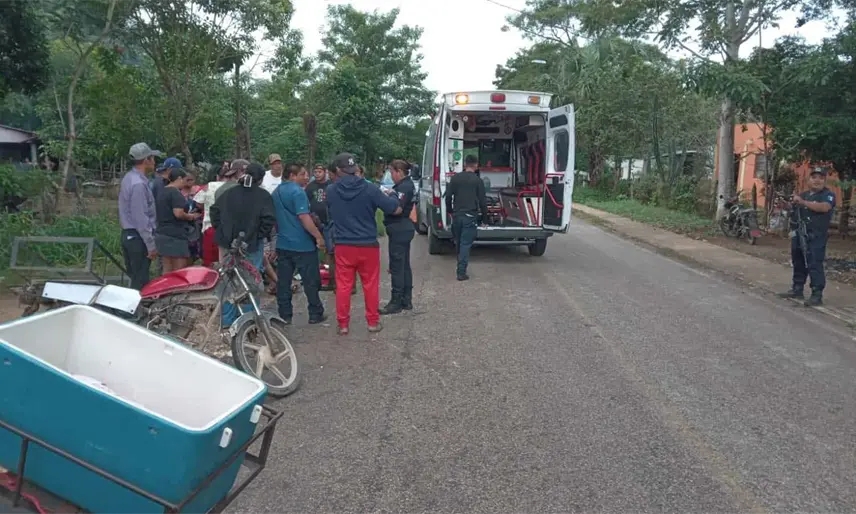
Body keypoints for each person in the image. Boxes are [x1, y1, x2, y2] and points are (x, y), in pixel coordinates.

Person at [326, 153, 402, 335]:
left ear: (337, 170)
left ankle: (343, 325)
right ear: (355, 168)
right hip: (368, 244)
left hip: (344, 245)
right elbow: (395, 209)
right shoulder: (370, 189)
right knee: (370, 284)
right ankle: (372, 322)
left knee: (343, 285)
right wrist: (395, 197)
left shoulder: (331, 190)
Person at [210, 162, 276, 328]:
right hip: (251, 246)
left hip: (227, 244)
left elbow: (214, 212)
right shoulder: (263, 196)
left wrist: (223, 232)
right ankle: (248, 321)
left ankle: (228, 322)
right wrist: (257, 236)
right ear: (260, 179)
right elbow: (268, 220)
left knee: (228, 281)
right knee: (250, 282)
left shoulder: (228, 192)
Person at [272, 163, 327, 325]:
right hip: (302, 244)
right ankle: (315, 312)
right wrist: (318, 236)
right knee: (310, 280)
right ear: (292, 176)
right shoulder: (297, 192)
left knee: (283, 281)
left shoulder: (276, 192)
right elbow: (304, 217)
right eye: (303, 174)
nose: (306, 177)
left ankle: (284, 314)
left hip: (283, 243)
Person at [778, 167, 836, 306]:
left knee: (814, 263)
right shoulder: (803, 195)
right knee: (798, 261)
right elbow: (794, 212)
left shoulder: (828, 195)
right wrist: (786, 205)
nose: (817, 180)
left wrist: (803, 203)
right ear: (809, 180)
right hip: (799, 234)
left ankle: (817, 294)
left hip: (816, 236)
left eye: (821, 178)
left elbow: (824, 207)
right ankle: (797, 288)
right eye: (814, 177)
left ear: (824, 180)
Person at [118, 143, 161, 290]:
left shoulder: (130, 178)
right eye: (152, 158)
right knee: (140, 281)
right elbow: (140, 217)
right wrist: (151, 244)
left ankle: (132, 311)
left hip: (130, 235)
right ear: (146, 160)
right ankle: (135, 312)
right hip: (137, 238)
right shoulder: (138, 185)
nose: (154, 162)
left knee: (136, 278)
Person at [380, 160, 417, 315]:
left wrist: (386, 200)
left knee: (397, 266)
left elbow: (397, 209)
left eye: (392, 172)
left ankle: (396, 301)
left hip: (399, 227)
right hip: (404, 228)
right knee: (404, 266)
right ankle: (406, 299)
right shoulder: (405, 186)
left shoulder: (404, 187)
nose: (391, 175)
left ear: (399, 172)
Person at [445, 154, 488, 281]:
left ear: (465, 164)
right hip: (470, 216)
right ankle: (461, 272)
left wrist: (450, 211)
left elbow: (448, 197)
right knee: (465, 244)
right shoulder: (477, 181)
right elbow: (483, 202)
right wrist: (485, 219)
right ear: (476, 165)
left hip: (457, 216)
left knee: (458, 242)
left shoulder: (455, 178)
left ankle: (460, 265)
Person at [155, 168, 202, 273]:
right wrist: (191, 216)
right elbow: (178, 213)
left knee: (167, 268)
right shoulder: (175, 193)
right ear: (179, 178)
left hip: (162, 233)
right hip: (175, 235)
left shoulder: (162, 191)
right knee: (179, 269)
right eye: (185, 180)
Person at [193, 165, 230, 267]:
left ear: (217, 176)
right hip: (229, 229)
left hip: (211, 227)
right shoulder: (233, 186)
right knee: (227, 262)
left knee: (210, 262)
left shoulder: (209, 186)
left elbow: (198, 202)